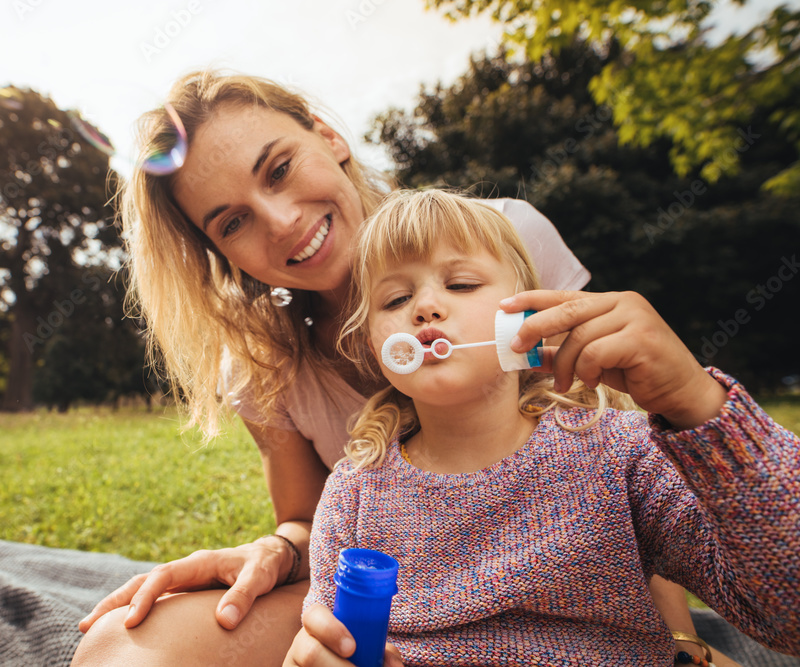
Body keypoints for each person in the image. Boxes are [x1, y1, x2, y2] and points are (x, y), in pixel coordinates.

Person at [71, 71, 726, 666]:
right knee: (115, 650)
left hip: (559, 604)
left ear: (329, 138)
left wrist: (678, 640)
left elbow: (615, 459)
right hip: (396, 620)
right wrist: (276, 548)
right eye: (234, 221)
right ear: (222, 254)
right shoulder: (260, 364)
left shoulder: (506, 240)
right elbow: (306, 518)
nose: (281, 221)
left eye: (278, 169)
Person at [286, 189, 800, 665]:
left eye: (461, 284)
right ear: (377, 347)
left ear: (531, 317)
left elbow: (785, 610)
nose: (424, 307)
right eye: (395, 300)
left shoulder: (616, 453)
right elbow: (328, 640)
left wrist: (697, 402)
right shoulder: (354, 491)